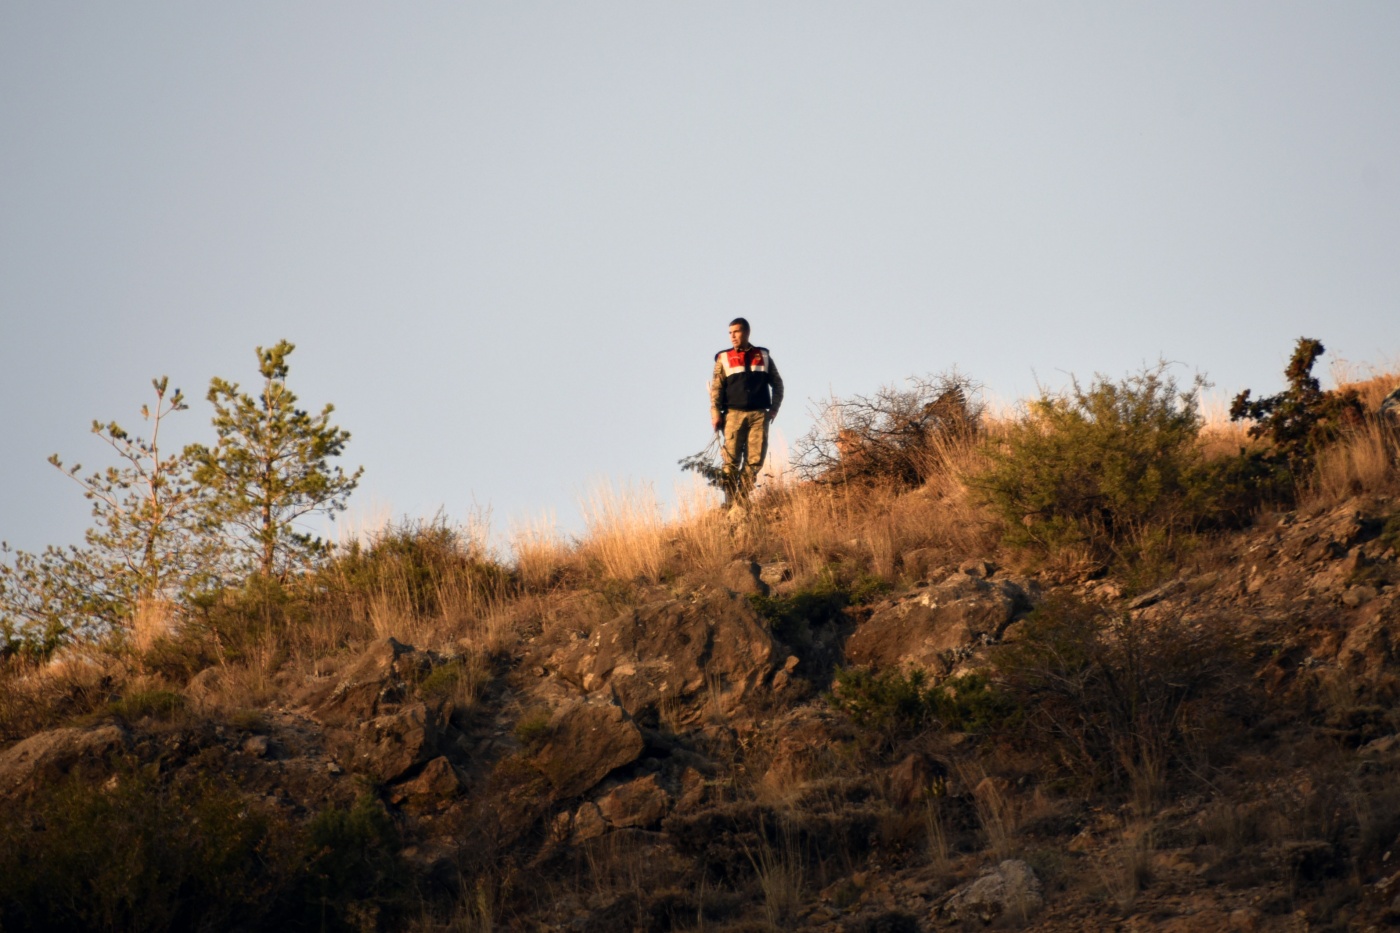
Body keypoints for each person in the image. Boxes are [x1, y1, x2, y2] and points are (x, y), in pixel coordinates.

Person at [709, 318, 784, 501]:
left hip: (759, 415)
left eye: (736, 332)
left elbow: (778, 384)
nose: (732, 336)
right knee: (731, 460)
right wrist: (715, 414)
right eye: (730, 333)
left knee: (755, 460)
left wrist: (773, 409)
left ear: (746, 332)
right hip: (733, 415)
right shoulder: (723, 358)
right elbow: (716, 389)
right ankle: (730, 501)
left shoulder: (763, 355)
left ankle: (743, 498)